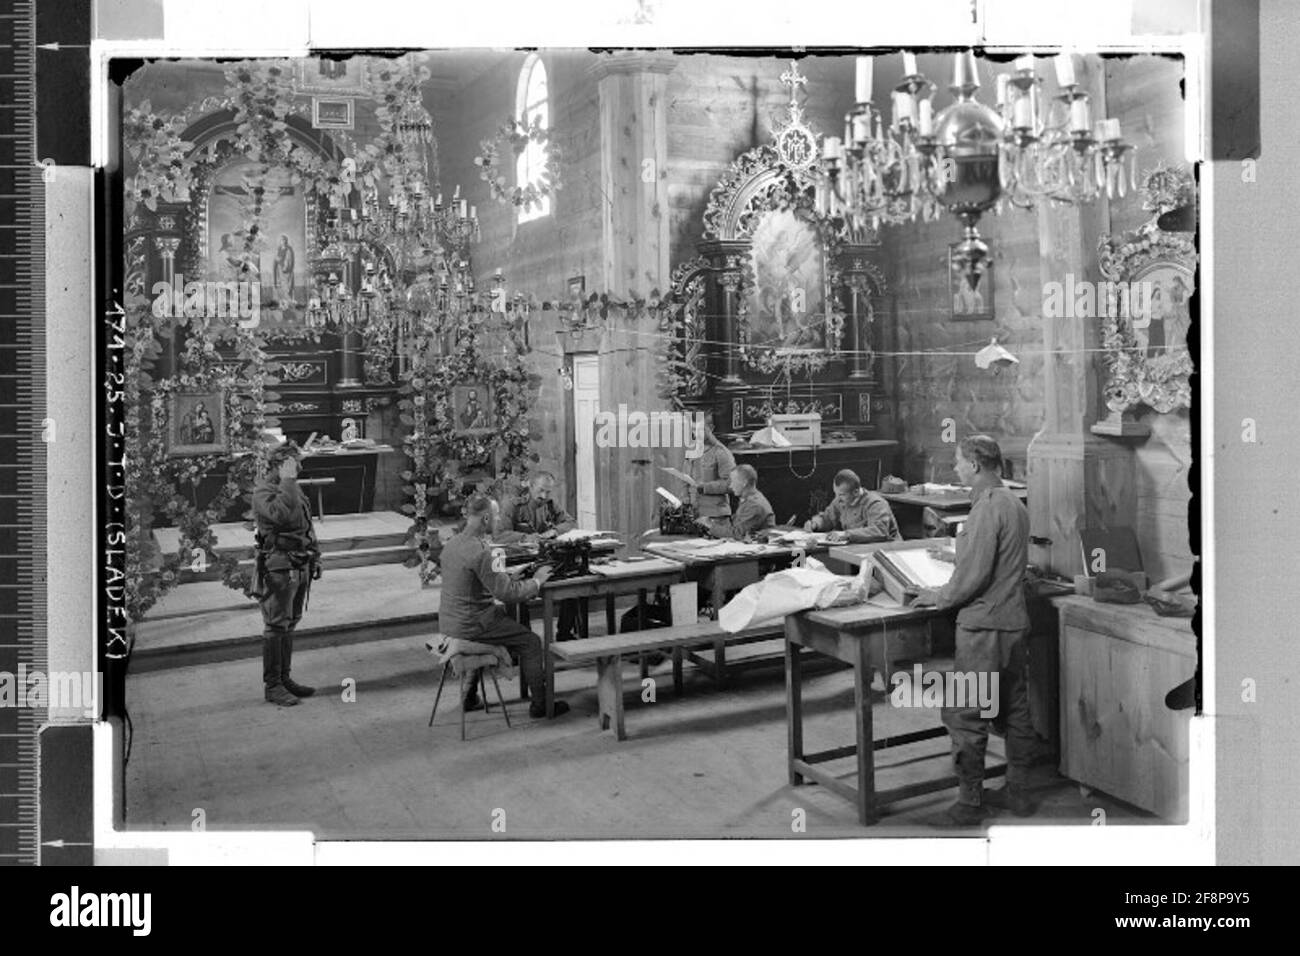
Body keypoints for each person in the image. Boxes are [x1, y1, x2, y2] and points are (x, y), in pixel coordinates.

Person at [913, 435, 1035, 825]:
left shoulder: (985, 509)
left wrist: (938, 597)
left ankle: (969, 802)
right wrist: (954, 553)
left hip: (984, 627)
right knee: (1015, 707)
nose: (955, 469)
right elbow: (994, 560)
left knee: (967, 712)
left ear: (977, 465)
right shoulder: (1013, 502)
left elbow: (974, 576)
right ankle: (1018, 793)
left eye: (959, 462)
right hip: (1014, 623)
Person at [438, 494, 569, 718]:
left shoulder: (452, 543)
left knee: (507, 622)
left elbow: (479, 580)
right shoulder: (482, 551)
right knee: (530, 642)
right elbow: (507, 594)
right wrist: (537, 579)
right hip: (473, 624)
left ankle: (469, 696)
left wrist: (511, 575)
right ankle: (541, 704)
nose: (499, 521)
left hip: (450, 621)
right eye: (497, 516)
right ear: (486, 519)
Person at [251, 442, 322, 707]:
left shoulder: (289, 486)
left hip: (300, 562)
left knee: (290, 622)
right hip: (279, 566)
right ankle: (273, 686)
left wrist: (316, 556)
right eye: (294, 463)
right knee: (276, 625)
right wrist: (288, 481)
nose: (299, 468)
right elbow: (279, 516)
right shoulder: (263, 491)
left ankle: (285, 678)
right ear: (280, 465)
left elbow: (306, 525)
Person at [495, 473, 581, 641]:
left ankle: (565, 633)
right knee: (515, 593)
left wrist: (555, 531)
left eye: (548, 492)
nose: (544, 496)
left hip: (545, 560)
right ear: (531, 487)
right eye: (541, 491)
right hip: (519, 562)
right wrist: (524, 538)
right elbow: (498, 535)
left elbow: (571, 522)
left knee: (573, 582)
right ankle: (523, 638)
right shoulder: (512, 505)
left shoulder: (550, 504)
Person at [804, 469, 901, 542]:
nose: (837, 498)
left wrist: (846, 534)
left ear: (855, 492)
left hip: (886, 552)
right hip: (858, 548)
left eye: (841, 494)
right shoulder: (840, 500)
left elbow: (879, 531)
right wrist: (815, 524)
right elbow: (828, 518)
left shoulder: (875, 504)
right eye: (835, 493)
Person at [700, 464, 774, 541]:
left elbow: (738, 534)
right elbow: (736, 527)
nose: (731, 486)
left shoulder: (754, 505)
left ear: (744, 483)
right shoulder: (749, 499)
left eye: (733, 482)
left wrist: (710, 525)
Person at [685, 415, 736, 525]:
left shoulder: (721, 453)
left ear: (711, 428)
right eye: (692, 429)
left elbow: (731, 484)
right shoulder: (692, 452)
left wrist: (704, 487)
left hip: (717, 518)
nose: (695, 434)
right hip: (695, 516)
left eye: (699, 429)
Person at [273, 234, 295, 302]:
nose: (283, 241)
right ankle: (282, 301)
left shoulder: (289, 249)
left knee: (288, 286)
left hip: (287, 271)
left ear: (286, 241)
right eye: (282, 240)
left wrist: (285, 266)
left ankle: (289, 300)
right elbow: (276, 259)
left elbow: (290, 260)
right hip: (280, 270)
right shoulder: (279, 249)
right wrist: (278, 260)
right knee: (281, 285)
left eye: (284, 240)